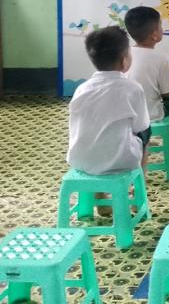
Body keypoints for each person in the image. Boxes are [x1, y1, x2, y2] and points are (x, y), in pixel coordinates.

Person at [67, 27, 151, 217]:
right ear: (124, 61)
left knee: (99, 134)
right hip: (119, 162)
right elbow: (141, 127)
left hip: (80, 160)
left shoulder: (82, 89)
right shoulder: (132, 88)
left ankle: (100, 198)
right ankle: (139, 192)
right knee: (146, 133)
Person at [123, 6, 169, 137]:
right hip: (149, 115)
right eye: (160, 25)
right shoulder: (161, 58)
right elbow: (167, 94)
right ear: (154, 35)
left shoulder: (124, 53)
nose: (162, 29)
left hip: (125, 114)